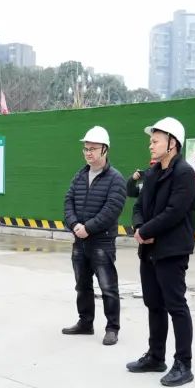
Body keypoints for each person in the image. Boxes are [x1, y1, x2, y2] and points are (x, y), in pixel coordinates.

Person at [128, 117, 195, 387]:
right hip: (148, 250)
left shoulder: (184, 173)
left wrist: (147, 231)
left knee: (175, 306)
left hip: (171, 251)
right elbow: (139, 206)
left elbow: (174, 212)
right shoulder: (153, 173)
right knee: (154, 304)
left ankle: (183, 364)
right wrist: (139, 228)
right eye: (151, 140)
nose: (151, 145)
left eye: (155, 141)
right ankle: (156, 356)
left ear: (172, 143)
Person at [61, 126, 127, 346]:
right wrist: (74, 224)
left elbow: (112, 209)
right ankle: (85, 323)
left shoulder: (115, 179)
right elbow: (68, 201)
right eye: (86, 149)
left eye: (93, 149)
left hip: (102, 242)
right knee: (82, 286)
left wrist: (88, 227)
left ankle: (112, 328)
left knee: (108, 287)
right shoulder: (80, 176)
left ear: (105, 150)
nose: (88, 153)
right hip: (80, 241)